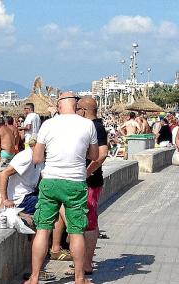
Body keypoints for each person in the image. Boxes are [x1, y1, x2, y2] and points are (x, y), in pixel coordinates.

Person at [25, 92, 98, 284]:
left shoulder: (48, 124)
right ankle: (79, 278)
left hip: (50, 182)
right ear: (75, 106)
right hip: (75, 183)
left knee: (42, 230)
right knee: (76, 231)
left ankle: (34, 278)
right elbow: (94, 154)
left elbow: (37, 158)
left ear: (59, 106)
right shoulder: (87, 124)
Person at [76, 97, 109, 275]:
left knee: (89, 222)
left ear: (83, 111)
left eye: (77, 109)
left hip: (90, 181)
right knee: (87, 220)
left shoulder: (95, 127)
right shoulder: (95, 126)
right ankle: (83, 261)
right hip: (89, 180)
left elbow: (102, 154)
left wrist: (86, 172)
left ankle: (87, 264)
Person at [0, 135, 41, 214]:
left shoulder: (38, 158)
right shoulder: (26, 156)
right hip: (20, 199)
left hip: (28, 194)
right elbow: (3, 174)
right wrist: (5, 200)